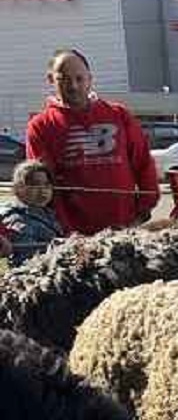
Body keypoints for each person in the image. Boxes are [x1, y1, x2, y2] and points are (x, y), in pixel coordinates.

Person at [26, 48, 158, 235]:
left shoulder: (118, 115)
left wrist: (144, 209)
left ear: (90, 78)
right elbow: (44, 187)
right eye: (64, 79)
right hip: (74, 238)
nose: (73, 86)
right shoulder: (40, 126)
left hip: (127, 230)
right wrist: (67, 231)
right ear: (50, 80)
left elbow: (143, 163)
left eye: (79, 78)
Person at [0, 160, 63, 265]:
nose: (43, 190)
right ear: (18, 189)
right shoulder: (17, 220)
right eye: (35, 185)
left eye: (47, 185)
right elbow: (26, 260)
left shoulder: (46, 212)